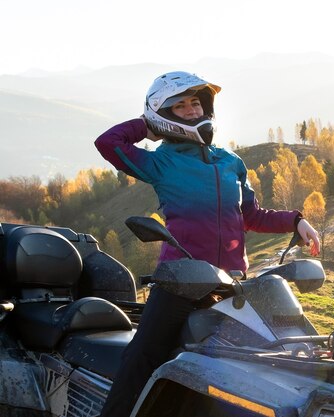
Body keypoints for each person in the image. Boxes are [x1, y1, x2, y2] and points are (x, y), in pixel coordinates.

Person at [95, 71, 320, 417]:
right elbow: (108, 144)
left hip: (231, 288)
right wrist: (147, 126)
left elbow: (252, 216)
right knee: (141, 358)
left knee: (271, 365)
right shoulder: (161, 163)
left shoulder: (231, 163)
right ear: (164, 114)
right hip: (179, 283)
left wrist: (295, 221)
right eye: (180, 105)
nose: (190, 110)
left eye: (195, 102)